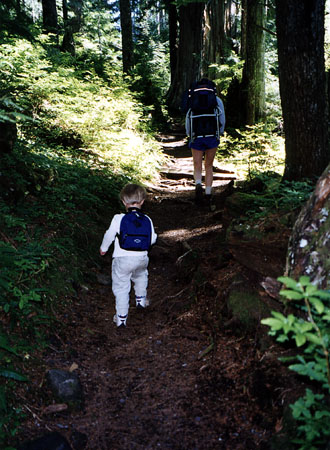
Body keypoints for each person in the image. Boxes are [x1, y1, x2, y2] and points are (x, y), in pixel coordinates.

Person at [99, 184, 157, 328]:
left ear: (124, 201)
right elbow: (153, 238)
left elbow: (109, 235)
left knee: (121, 287)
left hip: (122, 259)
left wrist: (103, 248)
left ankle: (121, 318)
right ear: (142, 201)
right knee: (141, 275)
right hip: (142, 257)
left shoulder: (118, 218)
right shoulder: (147, 219)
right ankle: (141, 300)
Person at [182, 78, 225, 209]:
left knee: (197, 163)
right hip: (212, 136)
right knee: (209, 165)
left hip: (197, 136)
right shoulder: (216, 100)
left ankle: (198, 185)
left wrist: (190, 134)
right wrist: (220, 132)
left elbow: (189, 117)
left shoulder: (193, 98)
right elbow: (222, 116)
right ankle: (208, 194)